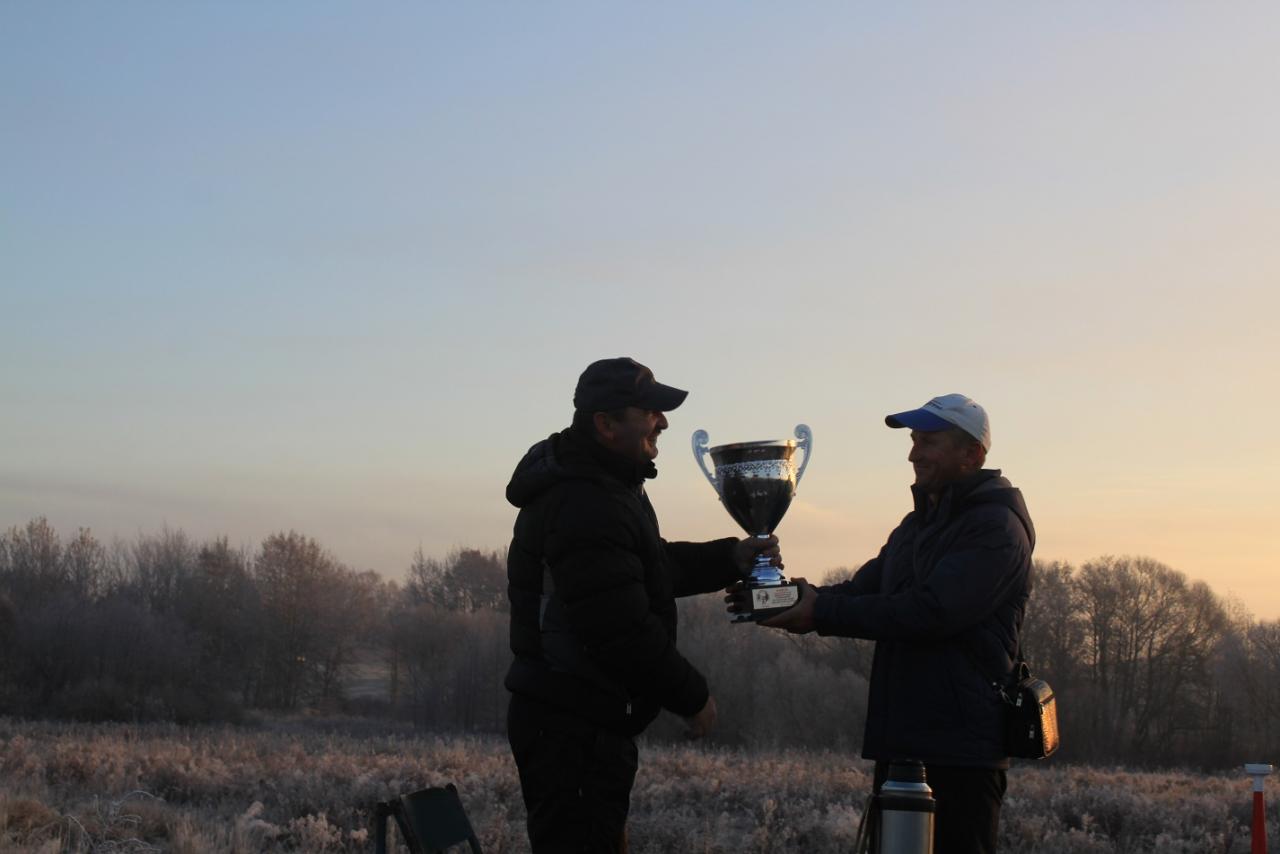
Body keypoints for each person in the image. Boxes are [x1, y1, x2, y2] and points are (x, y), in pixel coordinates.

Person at [504, 357, 781, 854]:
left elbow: (644, 569)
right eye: (649, 412)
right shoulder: (585, 500)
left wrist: (729, 558)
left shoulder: (606, 487)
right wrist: (692, 696)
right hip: (572, 728)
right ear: (606, 424)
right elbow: (618, 625)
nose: (663, 422)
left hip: (577, 722)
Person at [752, 393, 1033, 854]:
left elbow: (932, 612)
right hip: (904, 745)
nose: (913, 454)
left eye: (929, 442)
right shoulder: (915, 526)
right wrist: (787, 597)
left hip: (961, 755)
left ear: (972, 453)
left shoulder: (996, 528)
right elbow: (863, 590)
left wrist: (819, 613)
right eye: (913, 440)